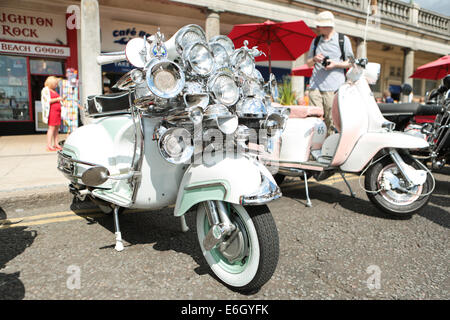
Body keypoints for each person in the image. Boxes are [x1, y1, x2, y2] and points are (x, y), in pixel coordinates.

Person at [306, 11, 354, 135]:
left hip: (334, 88)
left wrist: (335, 64)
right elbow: (309, 62)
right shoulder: (316, 41)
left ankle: (327, 151)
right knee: (314, 120)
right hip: (315, 86)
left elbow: (351, 62)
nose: (317, 28)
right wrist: (315, 59)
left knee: (331, 123)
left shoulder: (343, 40)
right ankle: (314, 150)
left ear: (327, 26)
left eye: (319, 26)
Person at [42, 76, 65, 151]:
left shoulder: (54, 90)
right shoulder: (46, 90)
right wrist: (58, 99)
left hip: (57, 111)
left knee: (56, 128)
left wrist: (61, 100)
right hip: (52, 111)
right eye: (55, 84)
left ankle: (56, 143)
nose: (56, 85)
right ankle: (49, 145)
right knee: (51, 128)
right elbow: (47, 101)